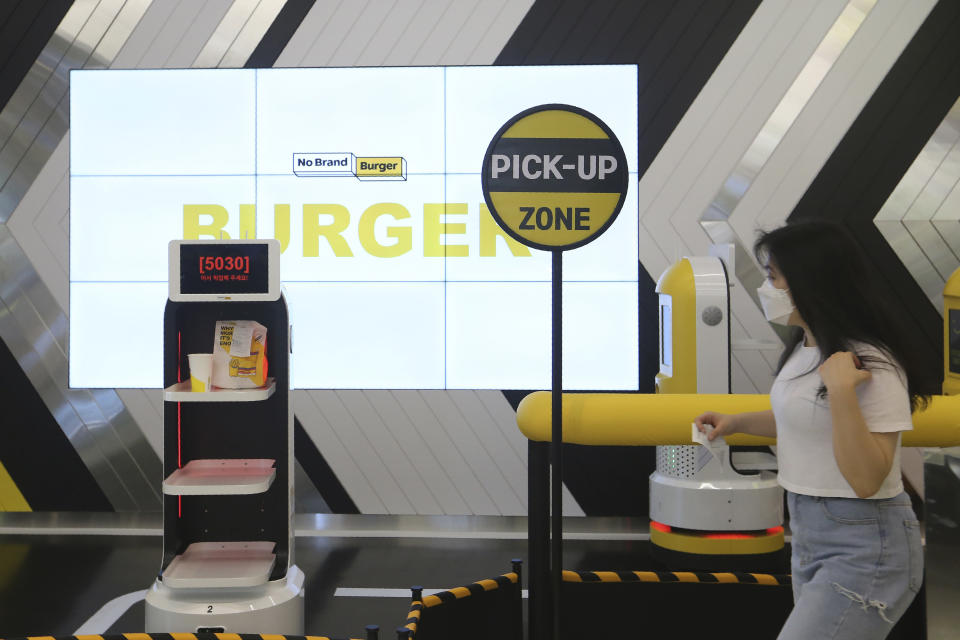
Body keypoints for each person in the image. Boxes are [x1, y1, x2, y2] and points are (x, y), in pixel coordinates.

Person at [694, 220, 933, 640]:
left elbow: (865, 479)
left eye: (772, 277)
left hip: (865, 541)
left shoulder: (870, 361)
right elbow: (808, 421)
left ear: (811, 281)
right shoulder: (807, 346)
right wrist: (737, 423)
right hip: (809, 530)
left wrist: (841, 391)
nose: (766, 288)